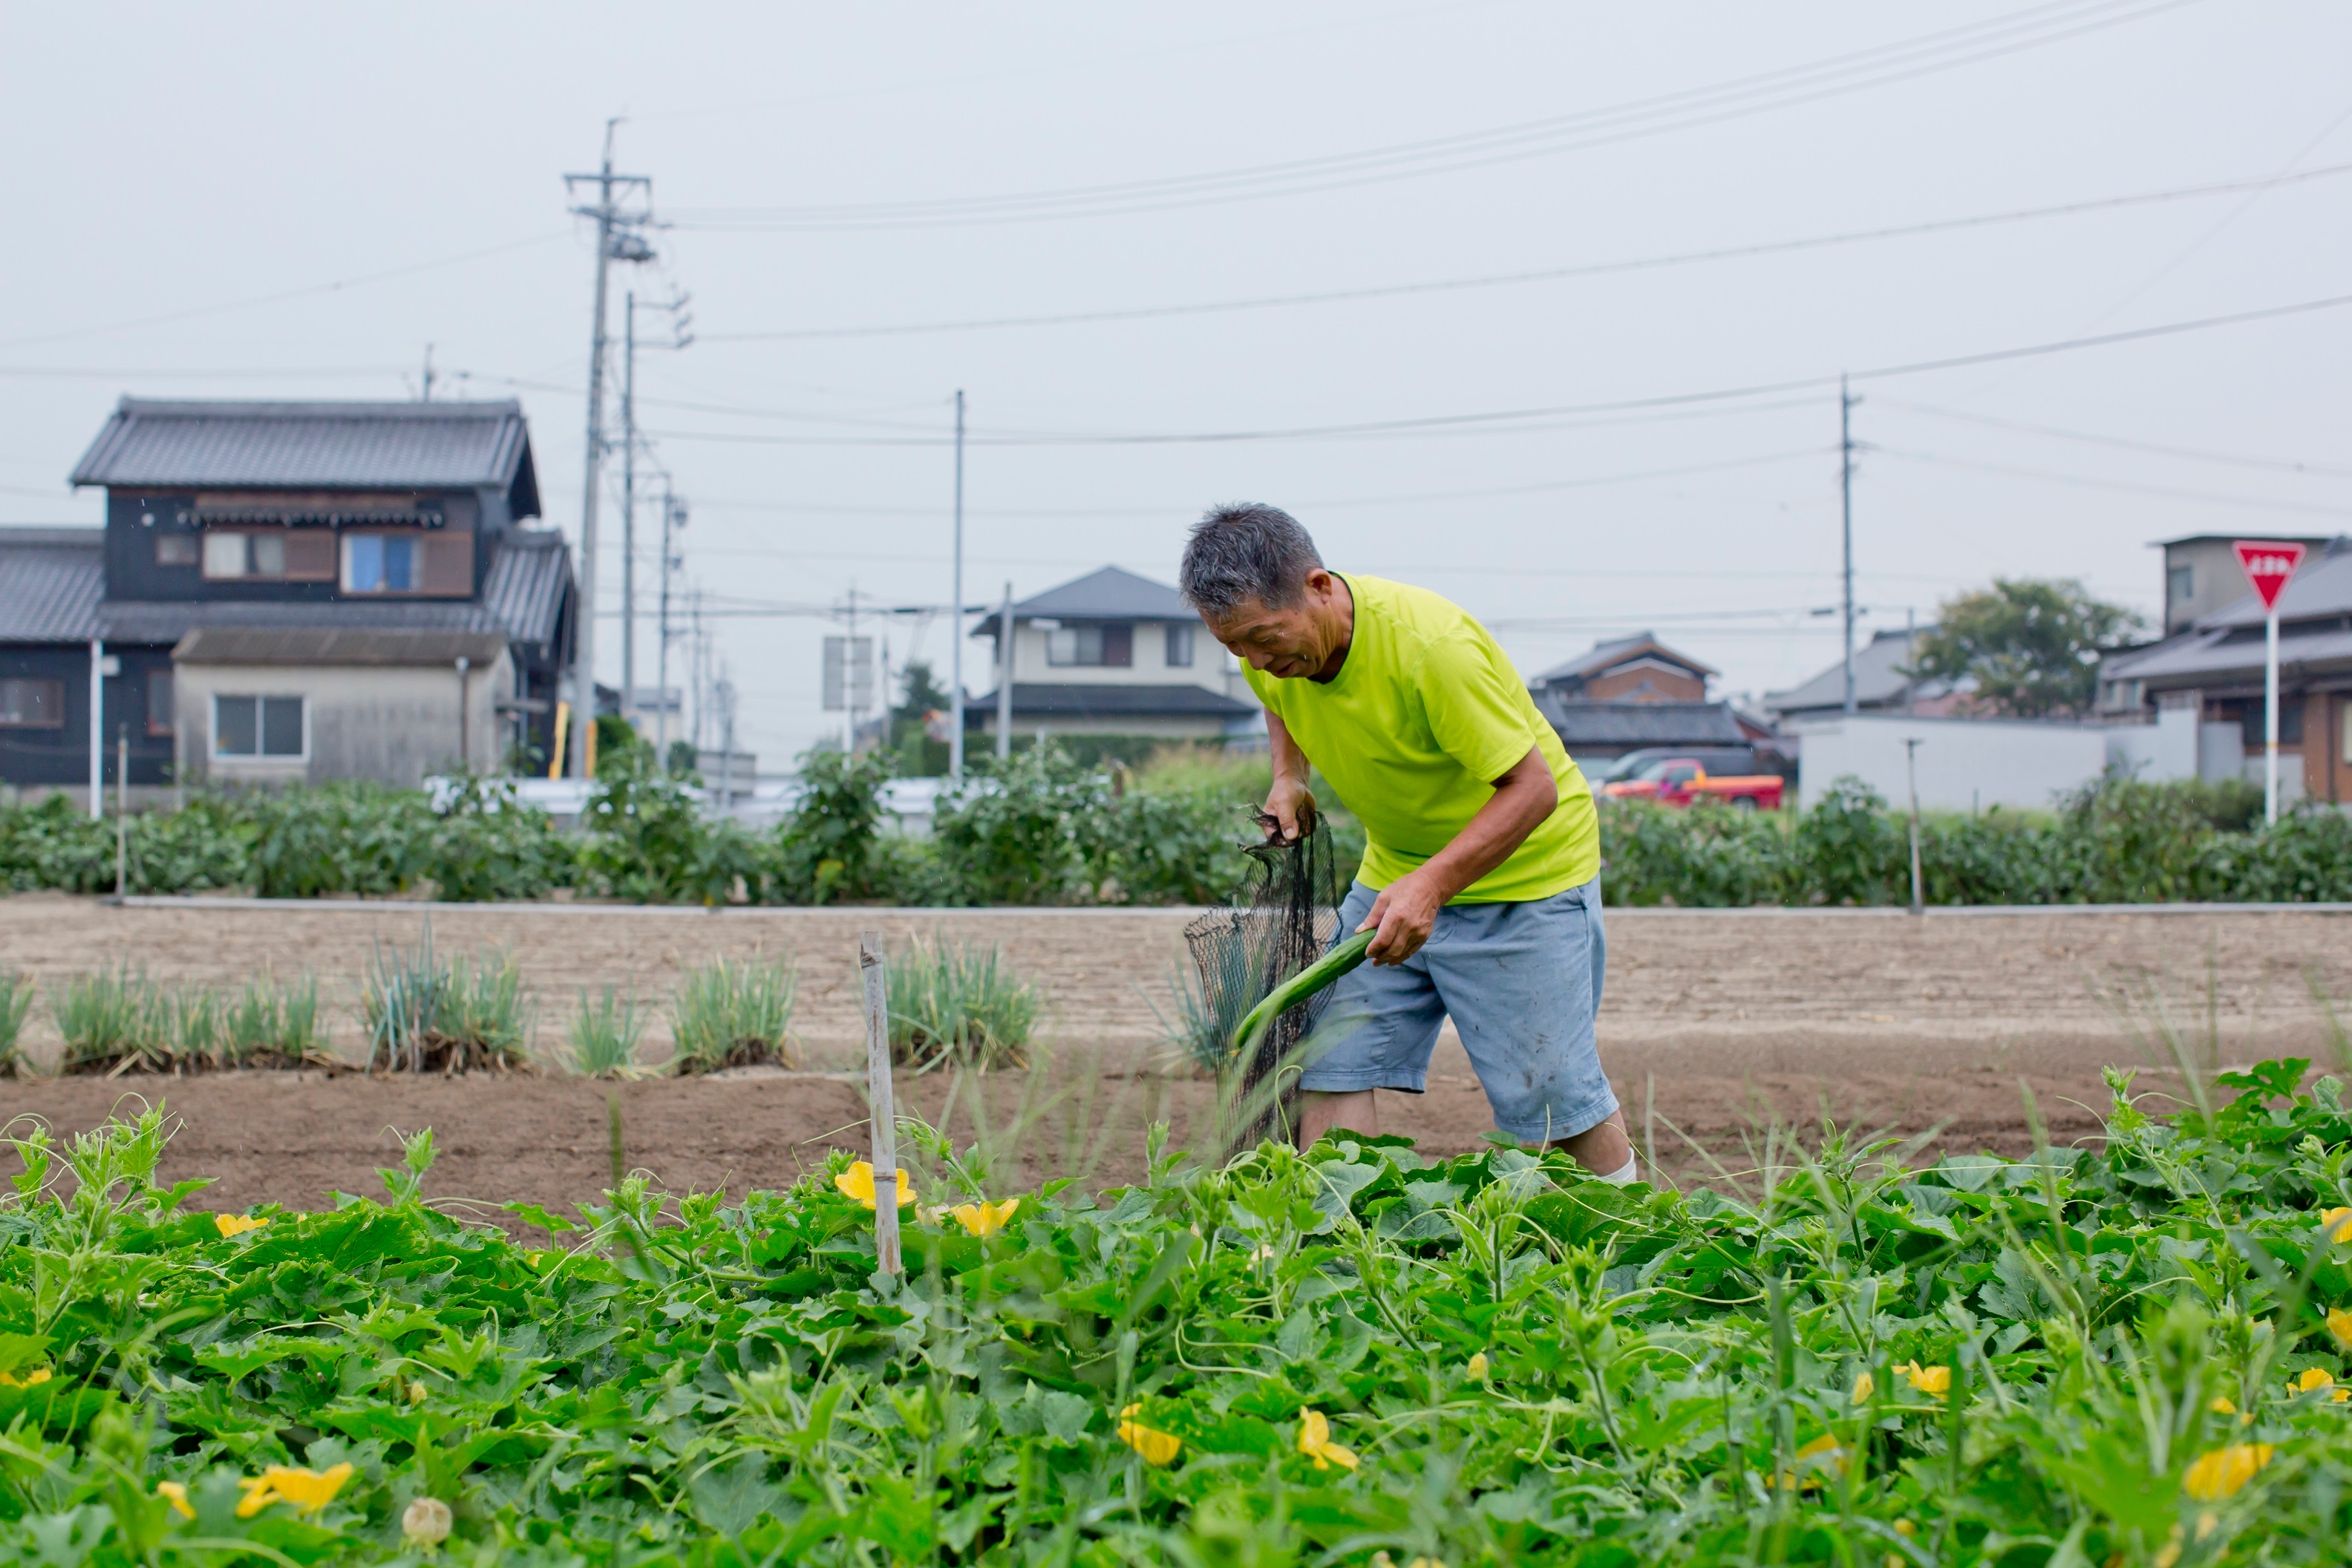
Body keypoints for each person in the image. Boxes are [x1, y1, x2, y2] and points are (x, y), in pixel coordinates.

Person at [1178, 502, 1636, 1182]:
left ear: (1319, 586)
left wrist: (1434, 885)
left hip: (1527, 880)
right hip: (1397, 877)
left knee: (1552, 1099)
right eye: (1235, 647)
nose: (1256, 661)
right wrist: (1287, 776)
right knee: (1330, 1058)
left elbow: (1534, 790)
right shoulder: (1267, 652)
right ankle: (1336, 1252)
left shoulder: (1430, 649)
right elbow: (1280, 699)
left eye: (1264, 638)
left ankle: (1632, 1239)